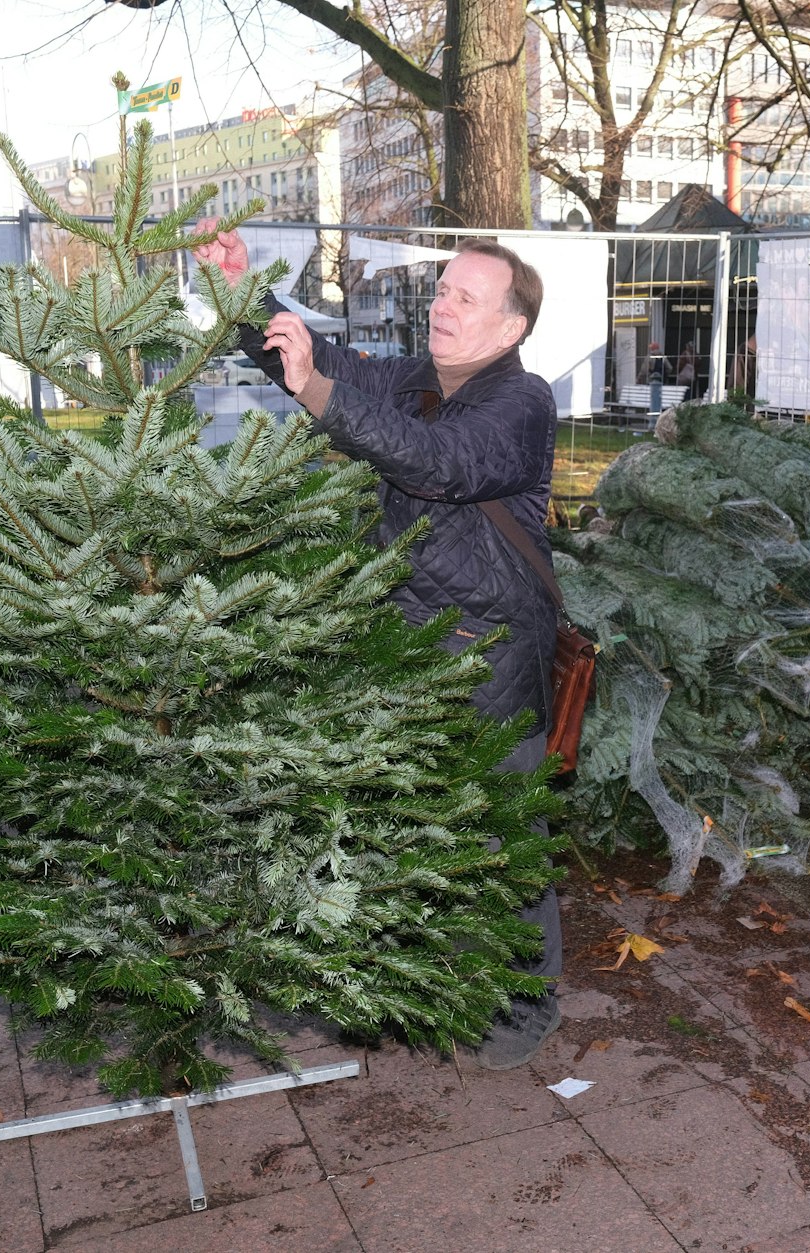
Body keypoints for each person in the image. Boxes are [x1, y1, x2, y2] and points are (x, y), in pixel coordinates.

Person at [193, 225, 564, 1069]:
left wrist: (322, 393)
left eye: (466, 298)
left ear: (508, 328)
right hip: (412, 641)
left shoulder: (523, 402)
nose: (443, 304)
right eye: (443, 290)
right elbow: (325, 365)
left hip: (491, 658)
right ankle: (431, 982)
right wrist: (250, 298)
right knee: (425, 826)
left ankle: (523, 1007)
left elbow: (437, 464)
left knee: (509, 840)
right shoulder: (417, 379)